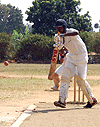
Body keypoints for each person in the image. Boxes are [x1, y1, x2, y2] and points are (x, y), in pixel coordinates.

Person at [53, 19, 97, 108]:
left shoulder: (70, 31)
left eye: (60, 27)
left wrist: (64, 34)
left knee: (81, 80)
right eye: (57, 28)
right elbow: (61, 49)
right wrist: (59, 47)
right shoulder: (59, 37)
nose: (59, 29)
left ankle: (92, 100)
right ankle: (62, 100)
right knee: (65, 77)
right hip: (71, 56)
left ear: (64, 27)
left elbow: (76, 32)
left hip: (81, 56)